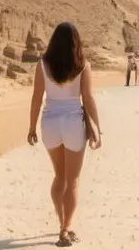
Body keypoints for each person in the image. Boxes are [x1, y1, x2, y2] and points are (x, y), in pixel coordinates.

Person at [28, 22, 102, 248]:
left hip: (50, 122)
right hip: (72, 123)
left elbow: (36, 98)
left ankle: (62, 223)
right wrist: (97, 128)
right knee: (73, 180)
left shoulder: (42, 65)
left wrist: (31, 128)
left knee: (59, 176)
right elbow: (87, 98)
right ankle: (65, 229)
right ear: (75, 43)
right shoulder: (82, 66)